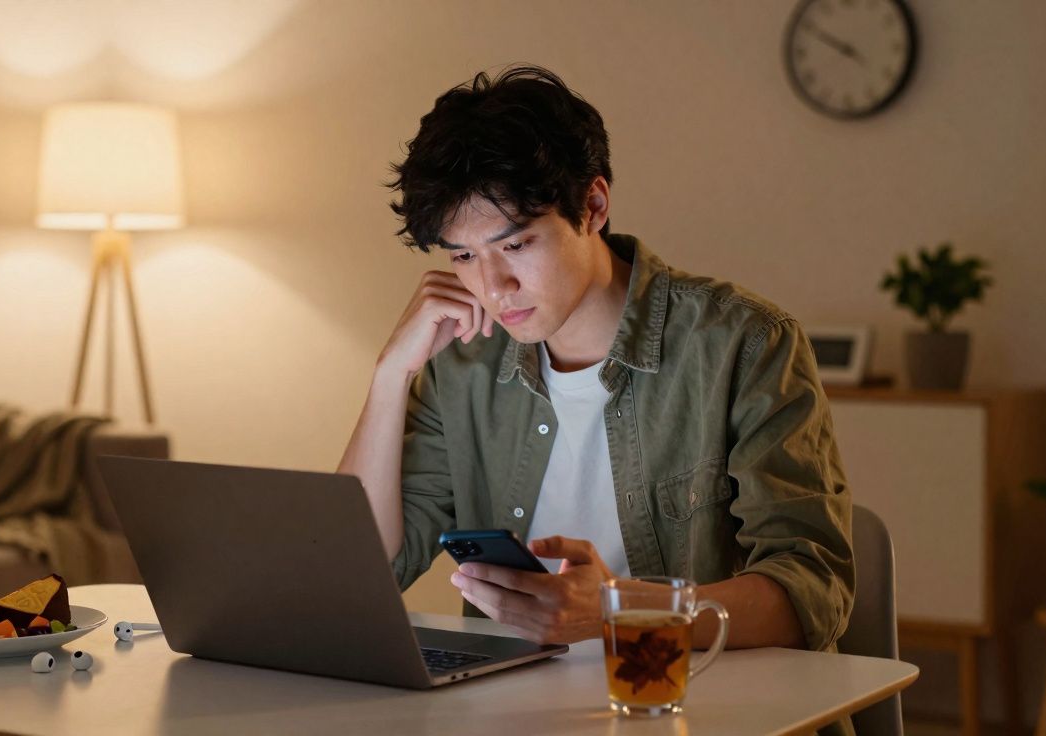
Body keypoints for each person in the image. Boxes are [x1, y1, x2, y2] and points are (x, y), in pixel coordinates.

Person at [338, 65, 853, 663]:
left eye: (515, 245)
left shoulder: (743, 343)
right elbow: (360, 577)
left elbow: (814, 590)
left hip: (702, 704)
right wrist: (388, 377)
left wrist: (620, 611)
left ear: (594, 205)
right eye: (463, 256)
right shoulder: (463, 365)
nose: (494, 285)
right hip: (515, 710)